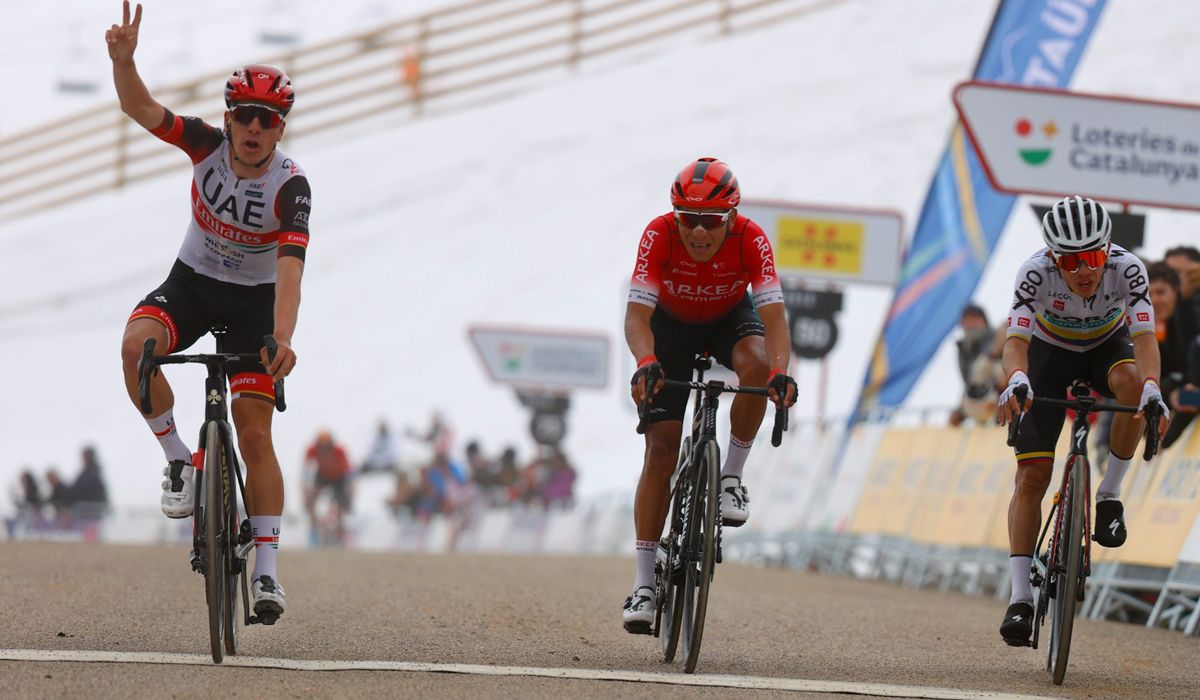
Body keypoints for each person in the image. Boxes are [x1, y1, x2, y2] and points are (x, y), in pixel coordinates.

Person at [108, 1, 309, 621]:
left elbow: (290, 270)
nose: (254, 128)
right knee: (134, 348)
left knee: (254, 433)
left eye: (268, 120)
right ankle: (178, 462)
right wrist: (124, 62)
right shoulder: (204, 143)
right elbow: (140, 110)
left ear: (280, 130)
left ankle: (268, 572)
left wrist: (280, 338)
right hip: (192, 284)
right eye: (245, 116)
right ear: (228, 119)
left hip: (253, 305)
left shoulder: (290, 186)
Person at [621, 157, 797, 634]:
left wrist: (780, 373)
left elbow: (776, 318)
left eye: (711, 222)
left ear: (732, 218)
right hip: (670, 327)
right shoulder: (659, 234)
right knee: (660, 449)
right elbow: (637, 318)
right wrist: (644, 362)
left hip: (727, 319)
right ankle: (643, 584)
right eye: (688, 220)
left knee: (758, 365)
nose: (699, 233)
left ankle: (730, 478)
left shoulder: (752, 239)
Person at [996, 195, 1168, 646]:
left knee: (1133, 384)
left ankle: (1109, 494)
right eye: (1070, 262)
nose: (1083, 271)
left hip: (1106, 348)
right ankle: (1019, 596)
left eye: (1092, 257)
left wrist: (1153, 387)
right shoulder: (1034, 273)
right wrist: (1017, 378)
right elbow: (1015, 341)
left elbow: (1146, 337)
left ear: (1107, 248)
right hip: (1048, 353)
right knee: (1032, 475)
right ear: (1053, 258)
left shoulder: (1128, 268)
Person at [302, 431, 354, 546]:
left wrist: (350, 494)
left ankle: (342, 539)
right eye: (322, 448)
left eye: (327, 448)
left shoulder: (339, 451)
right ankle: (314, 532)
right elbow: (305, 471)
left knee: (340, 510)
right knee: (310, 501)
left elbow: (349, 473)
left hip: (339, 478)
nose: (324, 450)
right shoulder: (312, 450)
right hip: (323, 475)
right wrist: (306, 491)